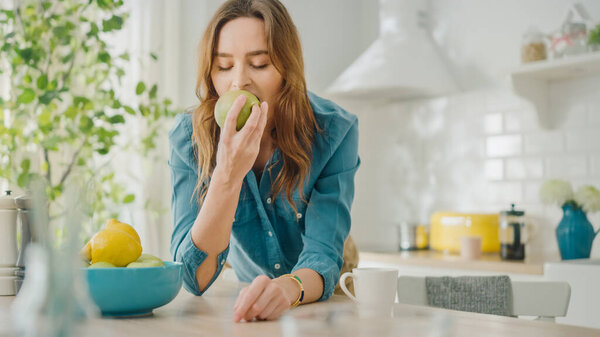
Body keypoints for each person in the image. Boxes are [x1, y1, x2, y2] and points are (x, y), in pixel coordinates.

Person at [168, 0, 360, 322]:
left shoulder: (334, 130)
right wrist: (227, 175)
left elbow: (323, 254)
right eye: (224, 66)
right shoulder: (190, 138)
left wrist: (287, 288)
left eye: (258, 63)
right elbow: (193, 278)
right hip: (251, 287)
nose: (238, 82)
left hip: (322, 289)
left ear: (287, 68)